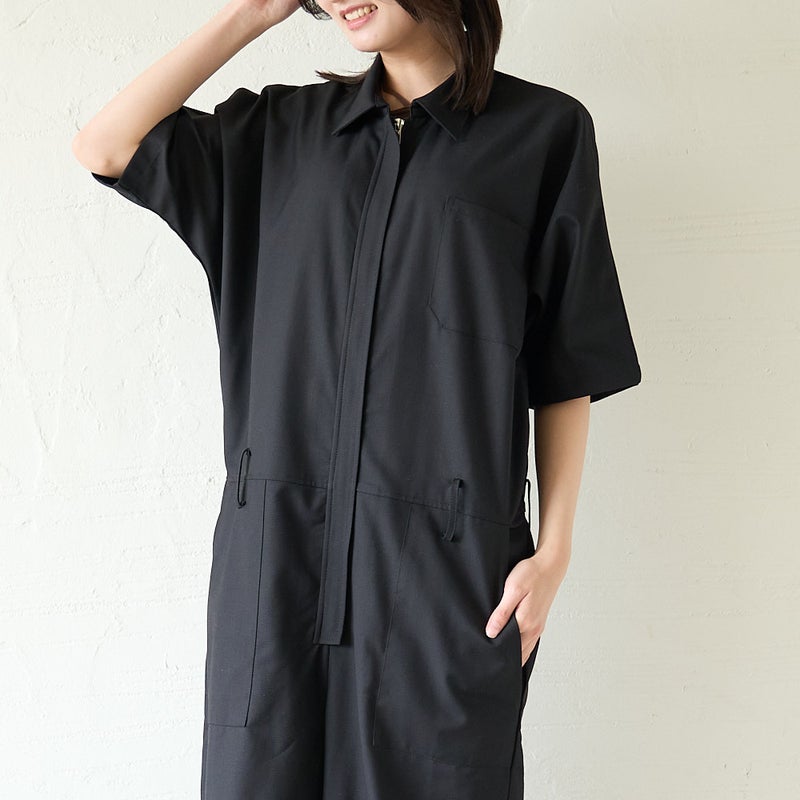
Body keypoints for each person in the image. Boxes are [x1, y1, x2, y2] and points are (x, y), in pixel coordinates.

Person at [72, 1, 642, 798]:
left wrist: (554, 554)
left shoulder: (543, 134)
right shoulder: (278, 133)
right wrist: (253, 14)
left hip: (446, 579)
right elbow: (106, 146)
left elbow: (566, 365)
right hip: (274, 571)